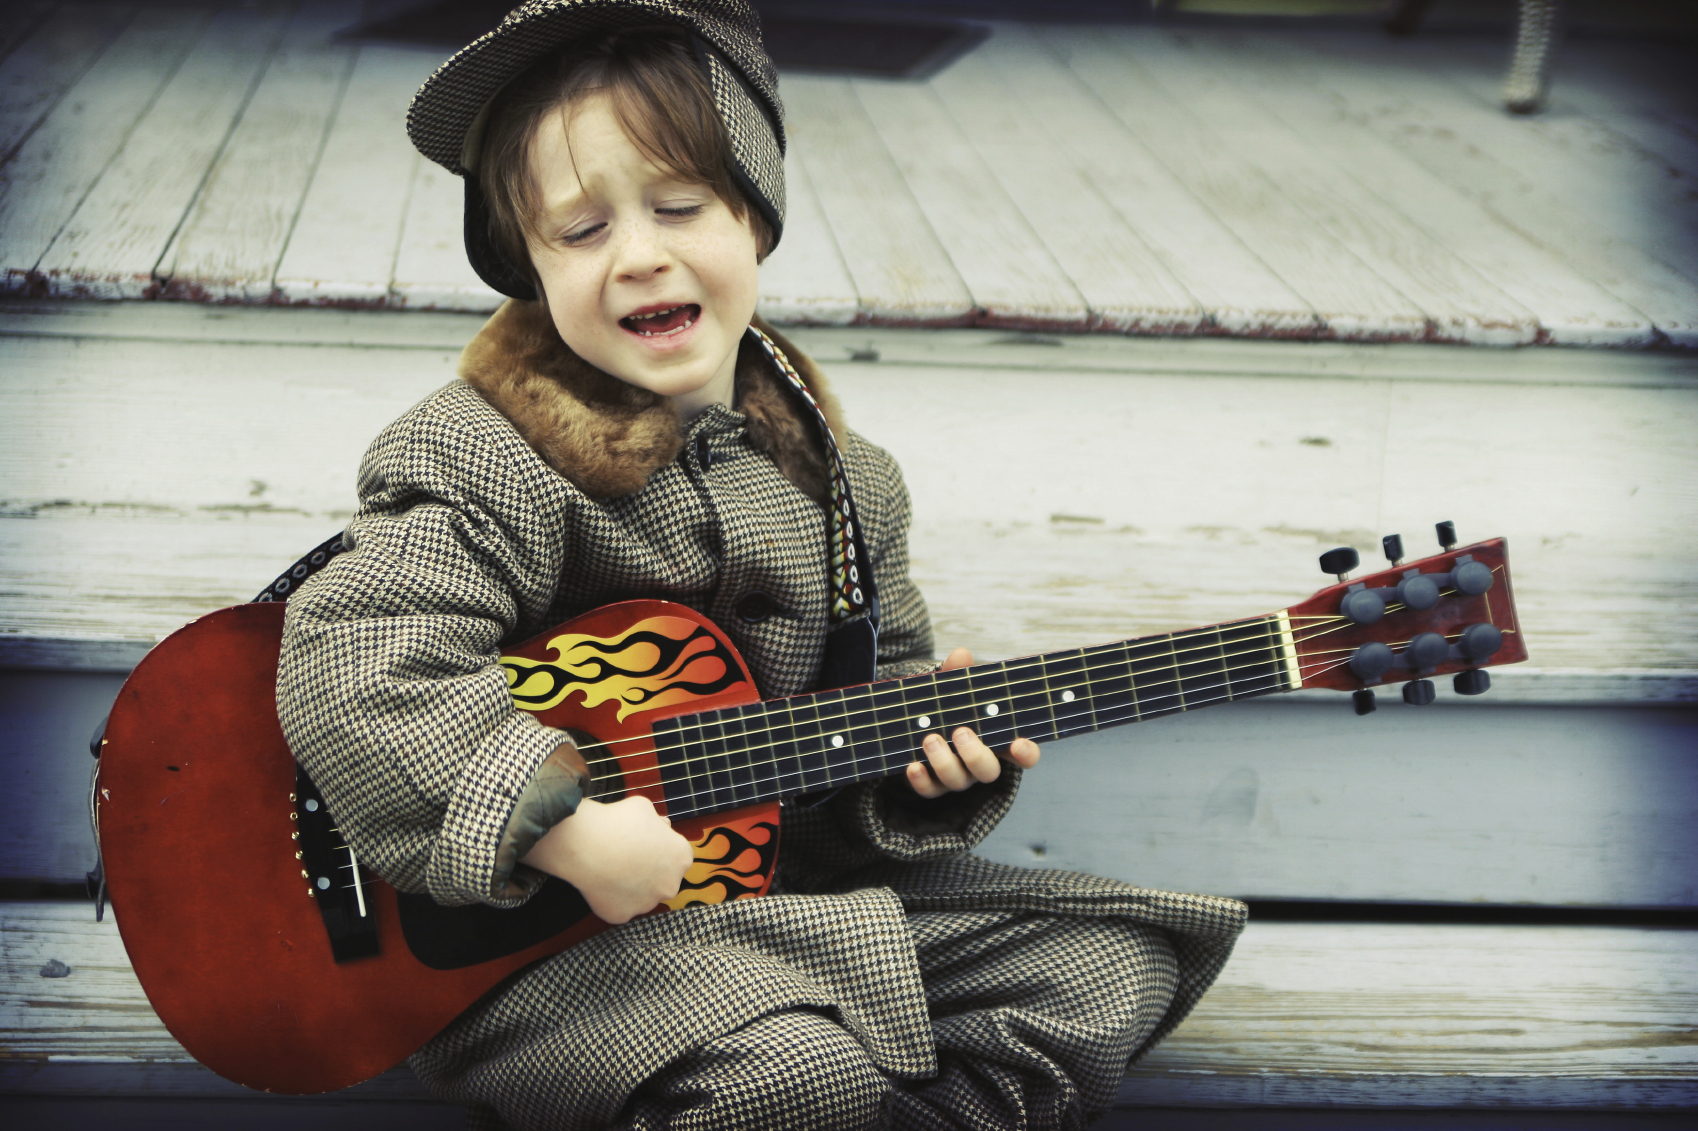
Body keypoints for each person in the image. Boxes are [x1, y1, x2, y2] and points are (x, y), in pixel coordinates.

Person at [275, 3, 1245, 1128]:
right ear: (529, 269)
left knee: (1109, 968)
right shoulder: (487, 454)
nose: (640, 255)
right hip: (528, 953)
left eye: (680, 206)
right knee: (792, 1075)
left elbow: (833, 762)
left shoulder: (851, 489)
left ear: (756, 220)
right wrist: (560, 824)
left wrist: (922, 779)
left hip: (774, 910)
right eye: (579, 232)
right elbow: (355, 660)